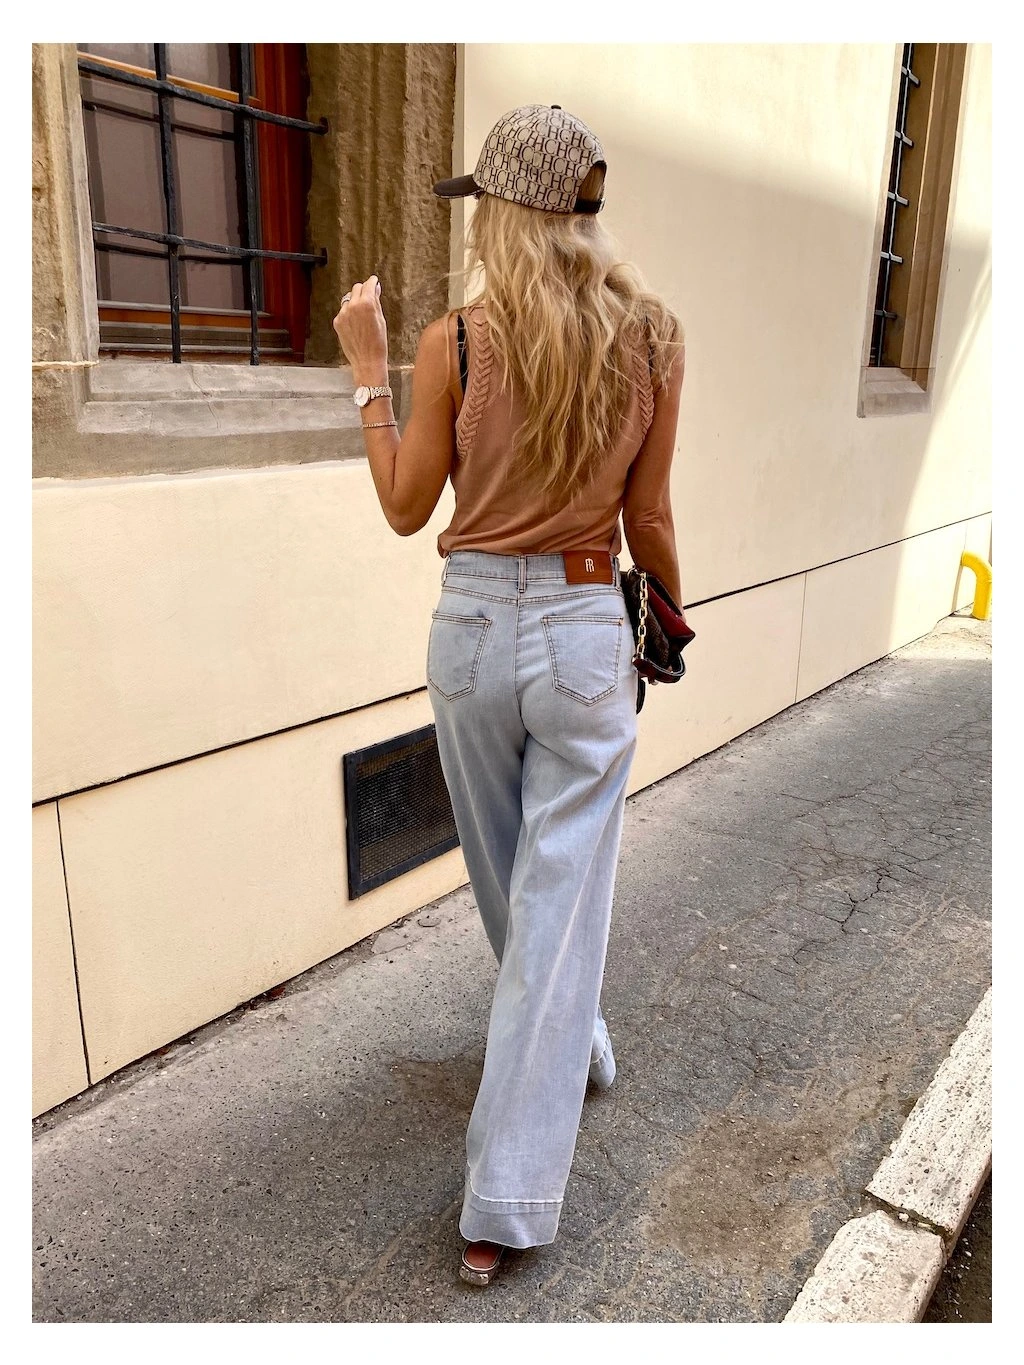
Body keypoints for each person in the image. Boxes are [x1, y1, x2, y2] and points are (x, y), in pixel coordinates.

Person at [332, 103, 686, 1287]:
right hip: (585, 627)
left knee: (514, 885)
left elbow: (404, 507)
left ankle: (517, 1166)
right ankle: (539, 1113)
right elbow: (649, 517)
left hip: (474, 630)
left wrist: (368, 376)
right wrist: (666, 618)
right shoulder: (653, 337)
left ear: (499, 214)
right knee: (551, 898)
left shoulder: (456, 342)